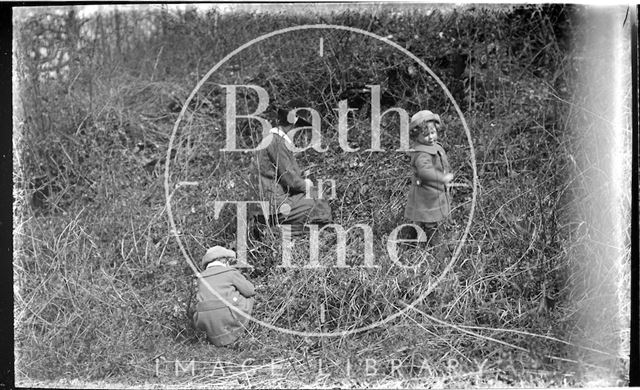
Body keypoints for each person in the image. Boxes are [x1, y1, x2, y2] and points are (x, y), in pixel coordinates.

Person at [251, 98, 332, 238]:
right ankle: (279, 232)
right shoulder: (276, 142)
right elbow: (291, 181)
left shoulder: (272, 140)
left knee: (315, 198)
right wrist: (306, 184)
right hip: (272, 206)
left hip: (267, 205)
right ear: (294, 124)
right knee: (315, 199)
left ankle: (285, 231)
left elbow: (284, 174)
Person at [403, 110, 453, 253]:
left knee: (420, 218)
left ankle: (409, 244)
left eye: (433, 132)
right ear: (416, 136)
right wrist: (441, 177)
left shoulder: (434, 147)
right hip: (426, 194)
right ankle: (439, 251)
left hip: (433, 192)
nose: (431, 137)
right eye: (425, 134)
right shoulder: (422, 154)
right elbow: (425, 171)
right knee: (430, 221)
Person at [192, 246, 256, 347]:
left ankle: (214, 337)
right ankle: (238, 333)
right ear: (223, 260)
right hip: (228, 317)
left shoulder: (200, 278)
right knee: (249, 298)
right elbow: (250, 291)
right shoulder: (230, 273)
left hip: (205, 323)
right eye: (228, 260)